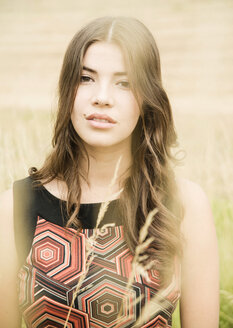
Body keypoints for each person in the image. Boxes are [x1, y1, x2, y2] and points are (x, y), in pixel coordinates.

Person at [0, 16, 219, 327]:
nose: (101, 97)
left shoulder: (183, 204)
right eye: (86, 78)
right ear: (68, 90)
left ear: (148, 99)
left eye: (124, 83)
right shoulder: (14, 206)